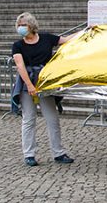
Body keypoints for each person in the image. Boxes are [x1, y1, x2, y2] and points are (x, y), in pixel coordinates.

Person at [10, 12, 78, 166]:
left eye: (23, 25)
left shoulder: (46, 38)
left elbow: (66, 40)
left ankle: (58, 153)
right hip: (28, 84)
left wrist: (87, 29)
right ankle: (29, 154)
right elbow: (20, 66)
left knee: (52, 119)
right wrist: (29, 85)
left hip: (45, 83)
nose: (20, 28)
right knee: (29, 119)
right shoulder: (18, 45)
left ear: (31, 25)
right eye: (19, 25)